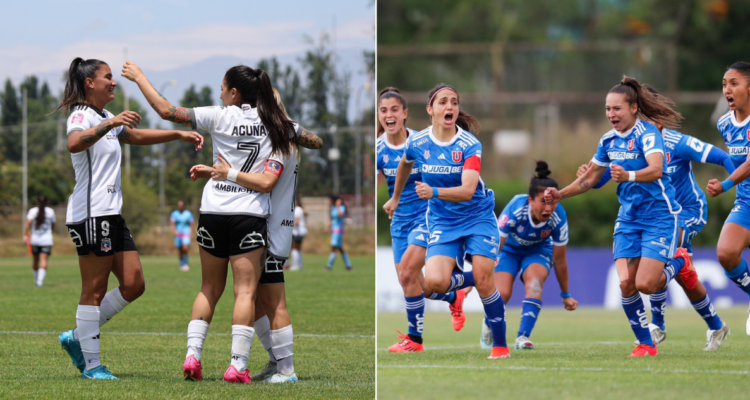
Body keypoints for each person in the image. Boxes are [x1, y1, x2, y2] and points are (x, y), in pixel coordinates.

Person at [122, 61, 308, 383]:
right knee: (246, 292)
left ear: (234, 92)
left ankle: (192, 357)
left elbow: (167, 111)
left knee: (208, 288)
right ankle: (237, 365)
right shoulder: (275, 123)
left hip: (212, 211)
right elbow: (308, 144)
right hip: (248, 215)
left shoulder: (218, 116)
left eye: (222, 89)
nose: (220, 94)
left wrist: (139, 78)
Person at [55, 57, 204, 380]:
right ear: (89, 84)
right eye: (107, 77)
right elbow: (73, 143)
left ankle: (77, 337)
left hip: (111, 214)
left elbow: (133, 136)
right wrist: (109, 125)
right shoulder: (82, 115)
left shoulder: (105, 116)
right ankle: (92, 366)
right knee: (93, 289)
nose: (113, 82)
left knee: (134, 284)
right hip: (92, 215)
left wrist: (177, 135)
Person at [544, 76, 699, 357]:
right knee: (626, 283)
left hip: (660, 217)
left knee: (646, 284)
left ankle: (680, 261)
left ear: (634, 108)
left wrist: (627, 175)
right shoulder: (607, 140)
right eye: (607, 109)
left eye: (617, 109)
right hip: (628, 219)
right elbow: (590, 179)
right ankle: (646, 344)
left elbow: (657, 169)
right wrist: (559, 195)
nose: (611, 114)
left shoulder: (649, 134)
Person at [577, 86, 734, 351]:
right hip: (652, 215)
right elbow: (602, 177)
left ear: (656, 120)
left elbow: (722, 157)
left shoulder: (678, 143)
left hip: (686, 212)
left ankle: (658, 323)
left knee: (659, 263)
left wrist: (736, 187)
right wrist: (588, 175)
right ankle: (716, 325)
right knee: (682, 274)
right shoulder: (630, 141)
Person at [189, 87, 322, 383]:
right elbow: (316, 140)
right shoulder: (282, 138)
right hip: (271, 227)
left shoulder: (278, 144)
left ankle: (287, 370)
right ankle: (276, 361)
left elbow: (265, 182)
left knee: (274, 301)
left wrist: (228, 174)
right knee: (257, 301)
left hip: (272, 230)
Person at [384, 84, 510, 359]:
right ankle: (469, 283)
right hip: (442, 220)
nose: (450, 106)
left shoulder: (469, 145)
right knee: (437, 283)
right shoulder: (418, 143)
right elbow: (405, 163)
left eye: (454, 102)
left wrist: (434, 192)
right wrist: (395, 198)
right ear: (430, 110)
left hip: (477, 216)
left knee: (485, 279)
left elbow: (467, 191)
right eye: (443, 102)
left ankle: (500, 347)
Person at [376, 86, 468, 353]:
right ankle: (454, 295)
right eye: (383, 111)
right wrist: (391, 200)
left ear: (405, 114)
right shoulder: (379, 149)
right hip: (400, 222)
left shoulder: (422, 142)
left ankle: (414, 341)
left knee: (407, 273)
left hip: (427, 217)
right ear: (379, 117)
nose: (389, 115)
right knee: (413, 283)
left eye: (395, 109)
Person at [479, 161, 577, 351]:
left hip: (538, 251)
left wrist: (566, 294)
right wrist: (478, 275)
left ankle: (522, 337)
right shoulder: (516, 207)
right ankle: (488, 322)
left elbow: (559, 259)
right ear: (530, 200)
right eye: (543, 202)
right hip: (508, 251)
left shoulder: (559, 217)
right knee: (503, 293)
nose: (548, 208)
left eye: (553, 202)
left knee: (534, 284)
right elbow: (495, 246)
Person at [705, 61, 750, 336]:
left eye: (733, 83)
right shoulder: (725, 123)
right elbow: (736, 161)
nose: (727, 89)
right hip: (746, 202)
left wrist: (725, 184)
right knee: (726, 253)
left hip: (735, 190)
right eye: (724, 84)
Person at [24, 195, 56, 287]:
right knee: (44, 260)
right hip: (46, 239)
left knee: (35, 260)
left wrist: (25, 235)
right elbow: (53, 225)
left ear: (37, 201)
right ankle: (40, 281)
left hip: (34, 239)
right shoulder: (51, 211)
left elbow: (28, 223)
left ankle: (36, 279)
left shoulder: (32, 211)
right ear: (47, 202)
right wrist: (50, 232)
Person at [325, 196, 352, 270]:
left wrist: (338, 206)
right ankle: (349, 265)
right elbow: (333, 219)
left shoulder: (342, 207)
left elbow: (340, 215)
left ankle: (329, 266)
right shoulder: (333, 208)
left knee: (333, 247)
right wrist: (327, 227)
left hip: (338, 230)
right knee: (340, 248)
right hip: (334, 230)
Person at [170, 200, 194, 271]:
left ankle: (185, 263)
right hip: (178, 234)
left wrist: (192, 233)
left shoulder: (188, 213)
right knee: (180, 250)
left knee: (185, 248)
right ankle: (182, 264)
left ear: (184, 206)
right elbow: (173, 223)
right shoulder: (174, 213)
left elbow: (191, 223)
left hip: (186, 233)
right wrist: (174, 231)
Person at [289, 197, 307, 271]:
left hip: (297, 232)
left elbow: (298, 220)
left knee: (294, 248)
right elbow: (306, 213)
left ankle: (295, 265)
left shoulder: (296, 209)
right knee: (299, 248)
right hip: (302, 231)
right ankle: (300, 265)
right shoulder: (300, 209)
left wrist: (290, 226)